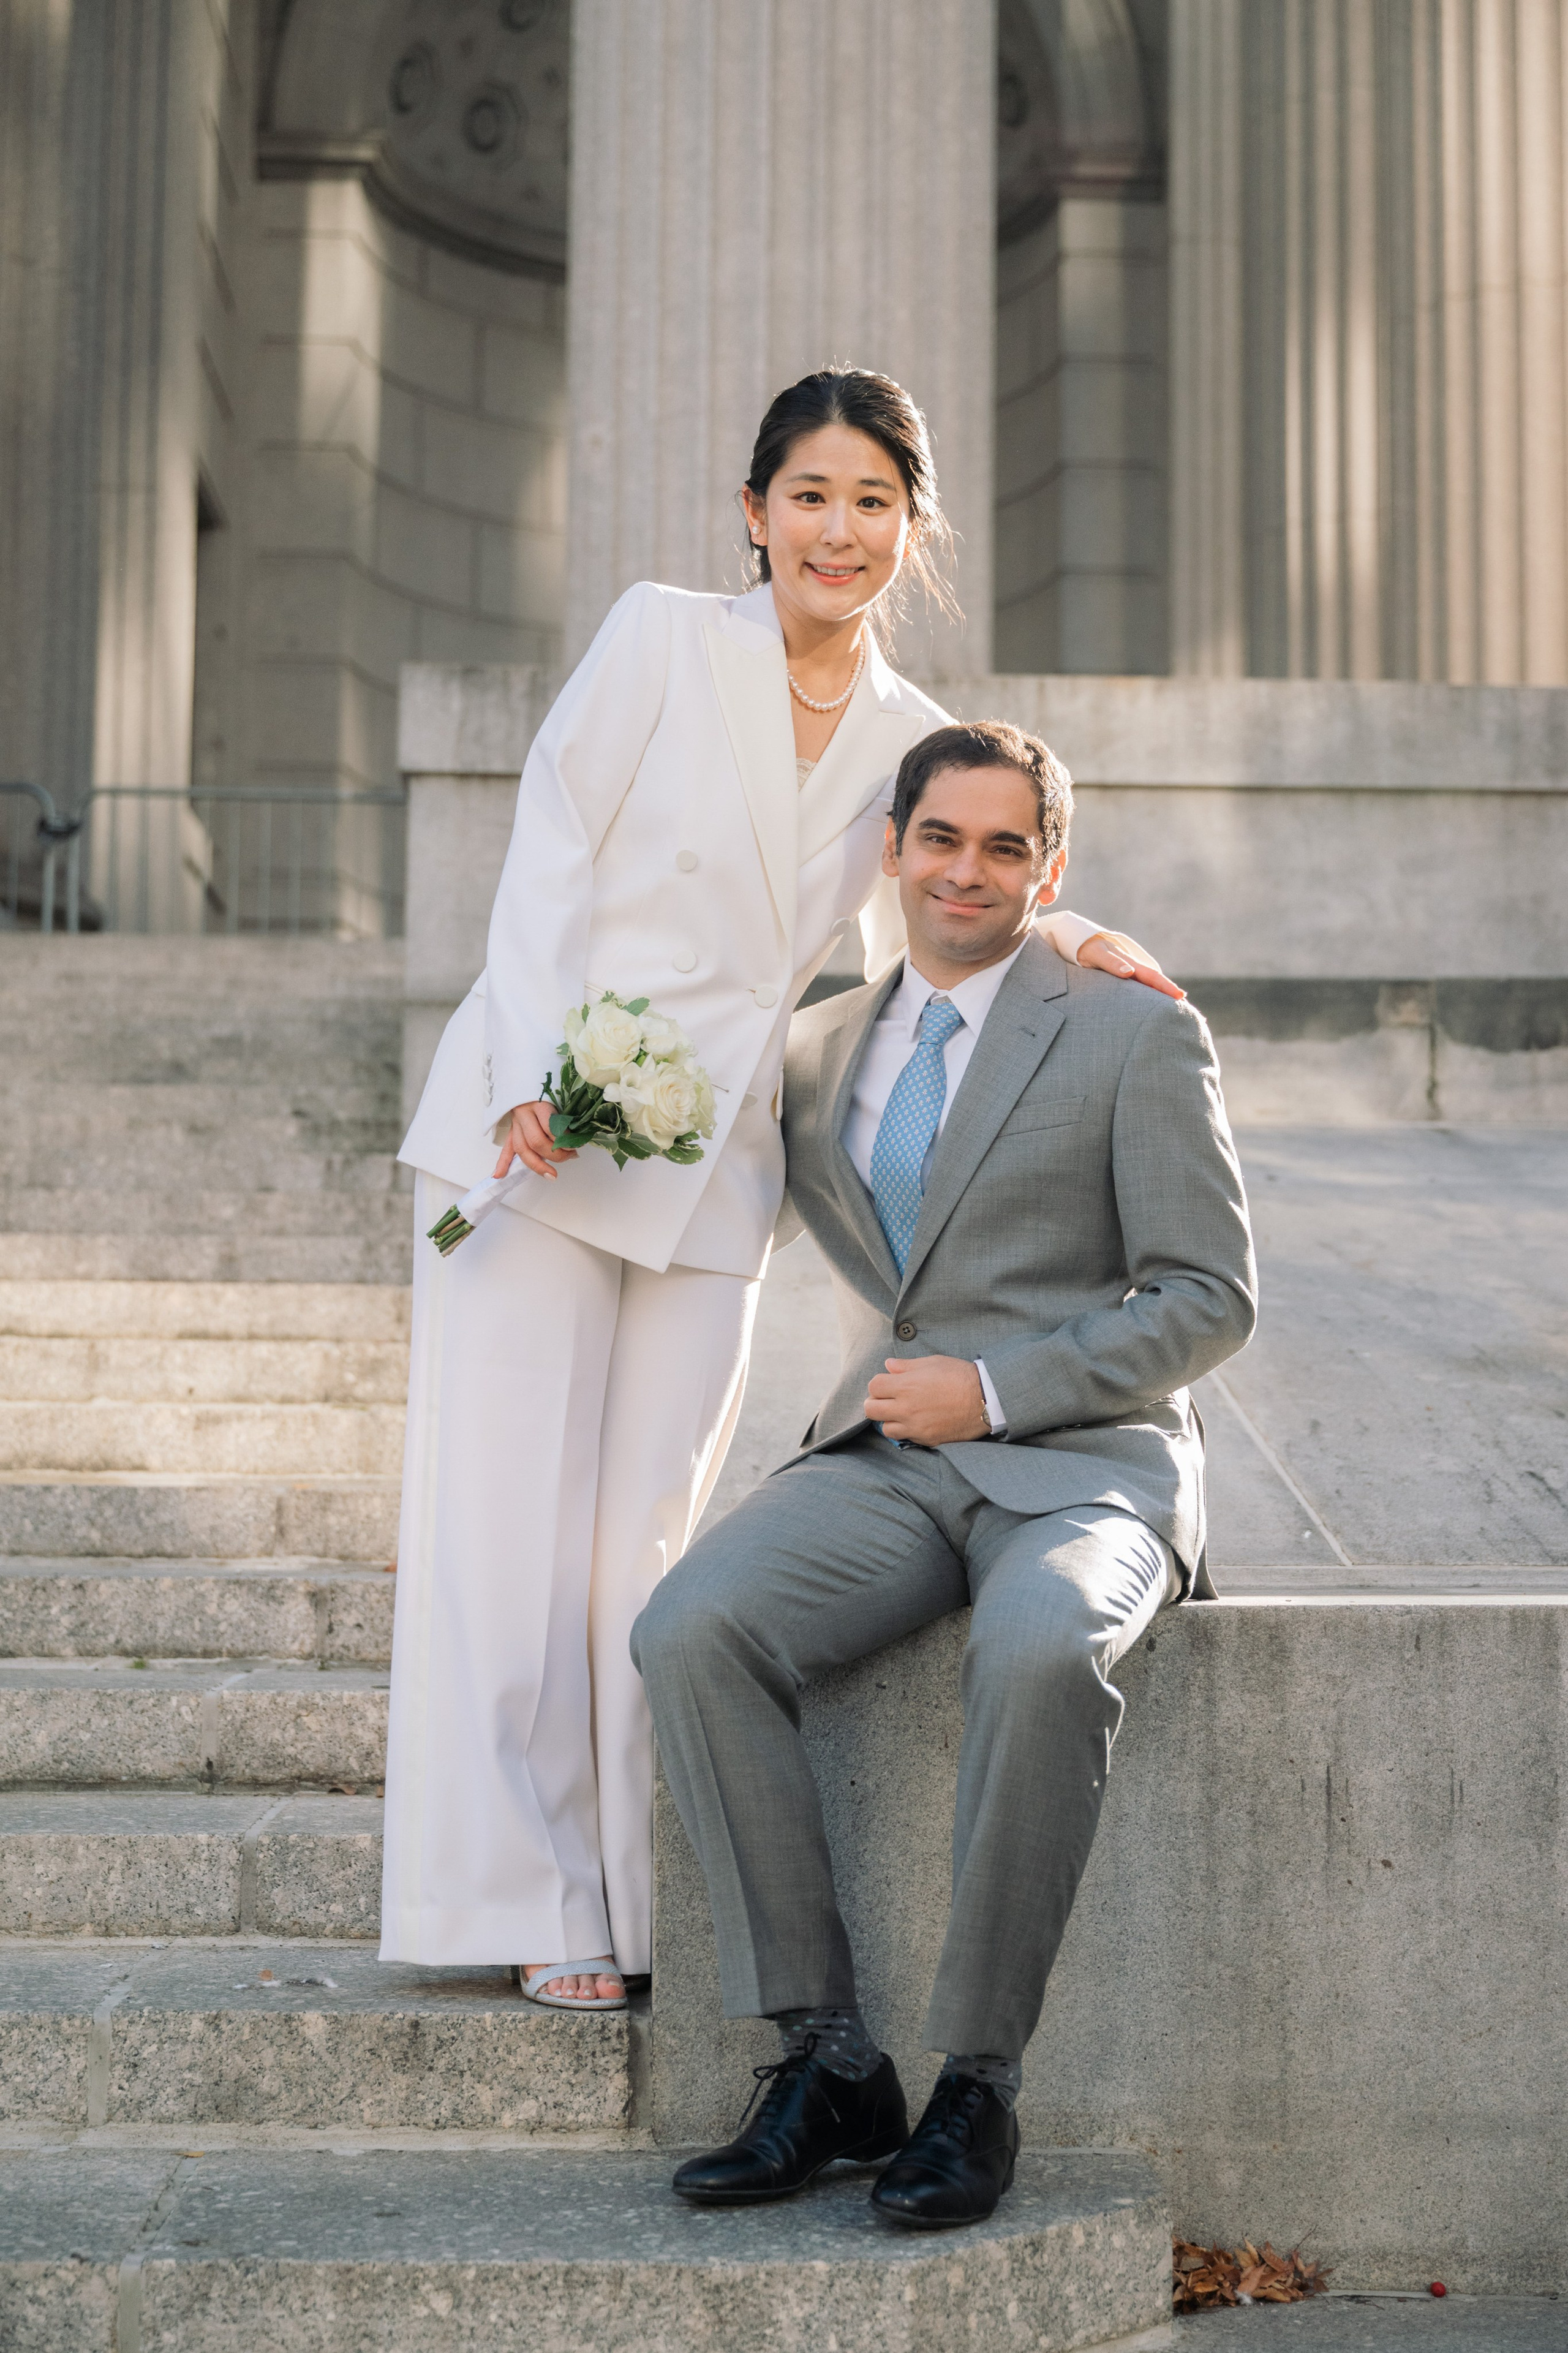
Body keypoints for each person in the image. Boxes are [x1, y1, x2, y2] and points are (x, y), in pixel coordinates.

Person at [380, 370, 1175, 2010]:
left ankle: (624, 1893)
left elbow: (951, 905)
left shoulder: (905, 738)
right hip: (537, 1132)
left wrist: (1083, 939)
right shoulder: (659, 637)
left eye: (874, 500)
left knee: (643, 1554)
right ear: (757, 512)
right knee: (505, 1535)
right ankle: (525, 1898)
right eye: (810, 494)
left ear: (912, 528)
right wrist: (530, 1070)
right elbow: (550, 847)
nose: (839, 528)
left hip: (711, 1176)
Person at [632, 719, 1257, 2224]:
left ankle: (975, 2082)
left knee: (1041, 1648)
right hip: (891, 1461)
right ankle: (828, 2056)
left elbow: (1208, 1296)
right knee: (688, 1626)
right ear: (892, 850)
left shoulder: (1131, 1026)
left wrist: (996, 1388)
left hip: (1085, 1464)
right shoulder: (822, 1042)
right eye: (937, 839)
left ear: (1050, 867)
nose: (963, 872)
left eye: (1001, 846)